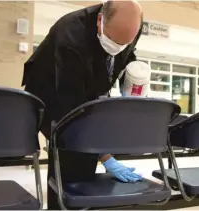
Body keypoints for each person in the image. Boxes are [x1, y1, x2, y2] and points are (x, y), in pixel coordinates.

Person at [21, 0, 143, 209]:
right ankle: (61, 205)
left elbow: (126, 55)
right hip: (51, 93)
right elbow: (73, 108)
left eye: (123, 43)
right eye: (113, 40)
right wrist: (106, 158)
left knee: (88, 153)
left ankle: (86, 204)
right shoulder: (69, 36)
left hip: (89, 85)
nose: (117, 48)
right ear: (99, 21)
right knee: (70, 148)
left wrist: (131, 76)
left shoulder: (131, 27)